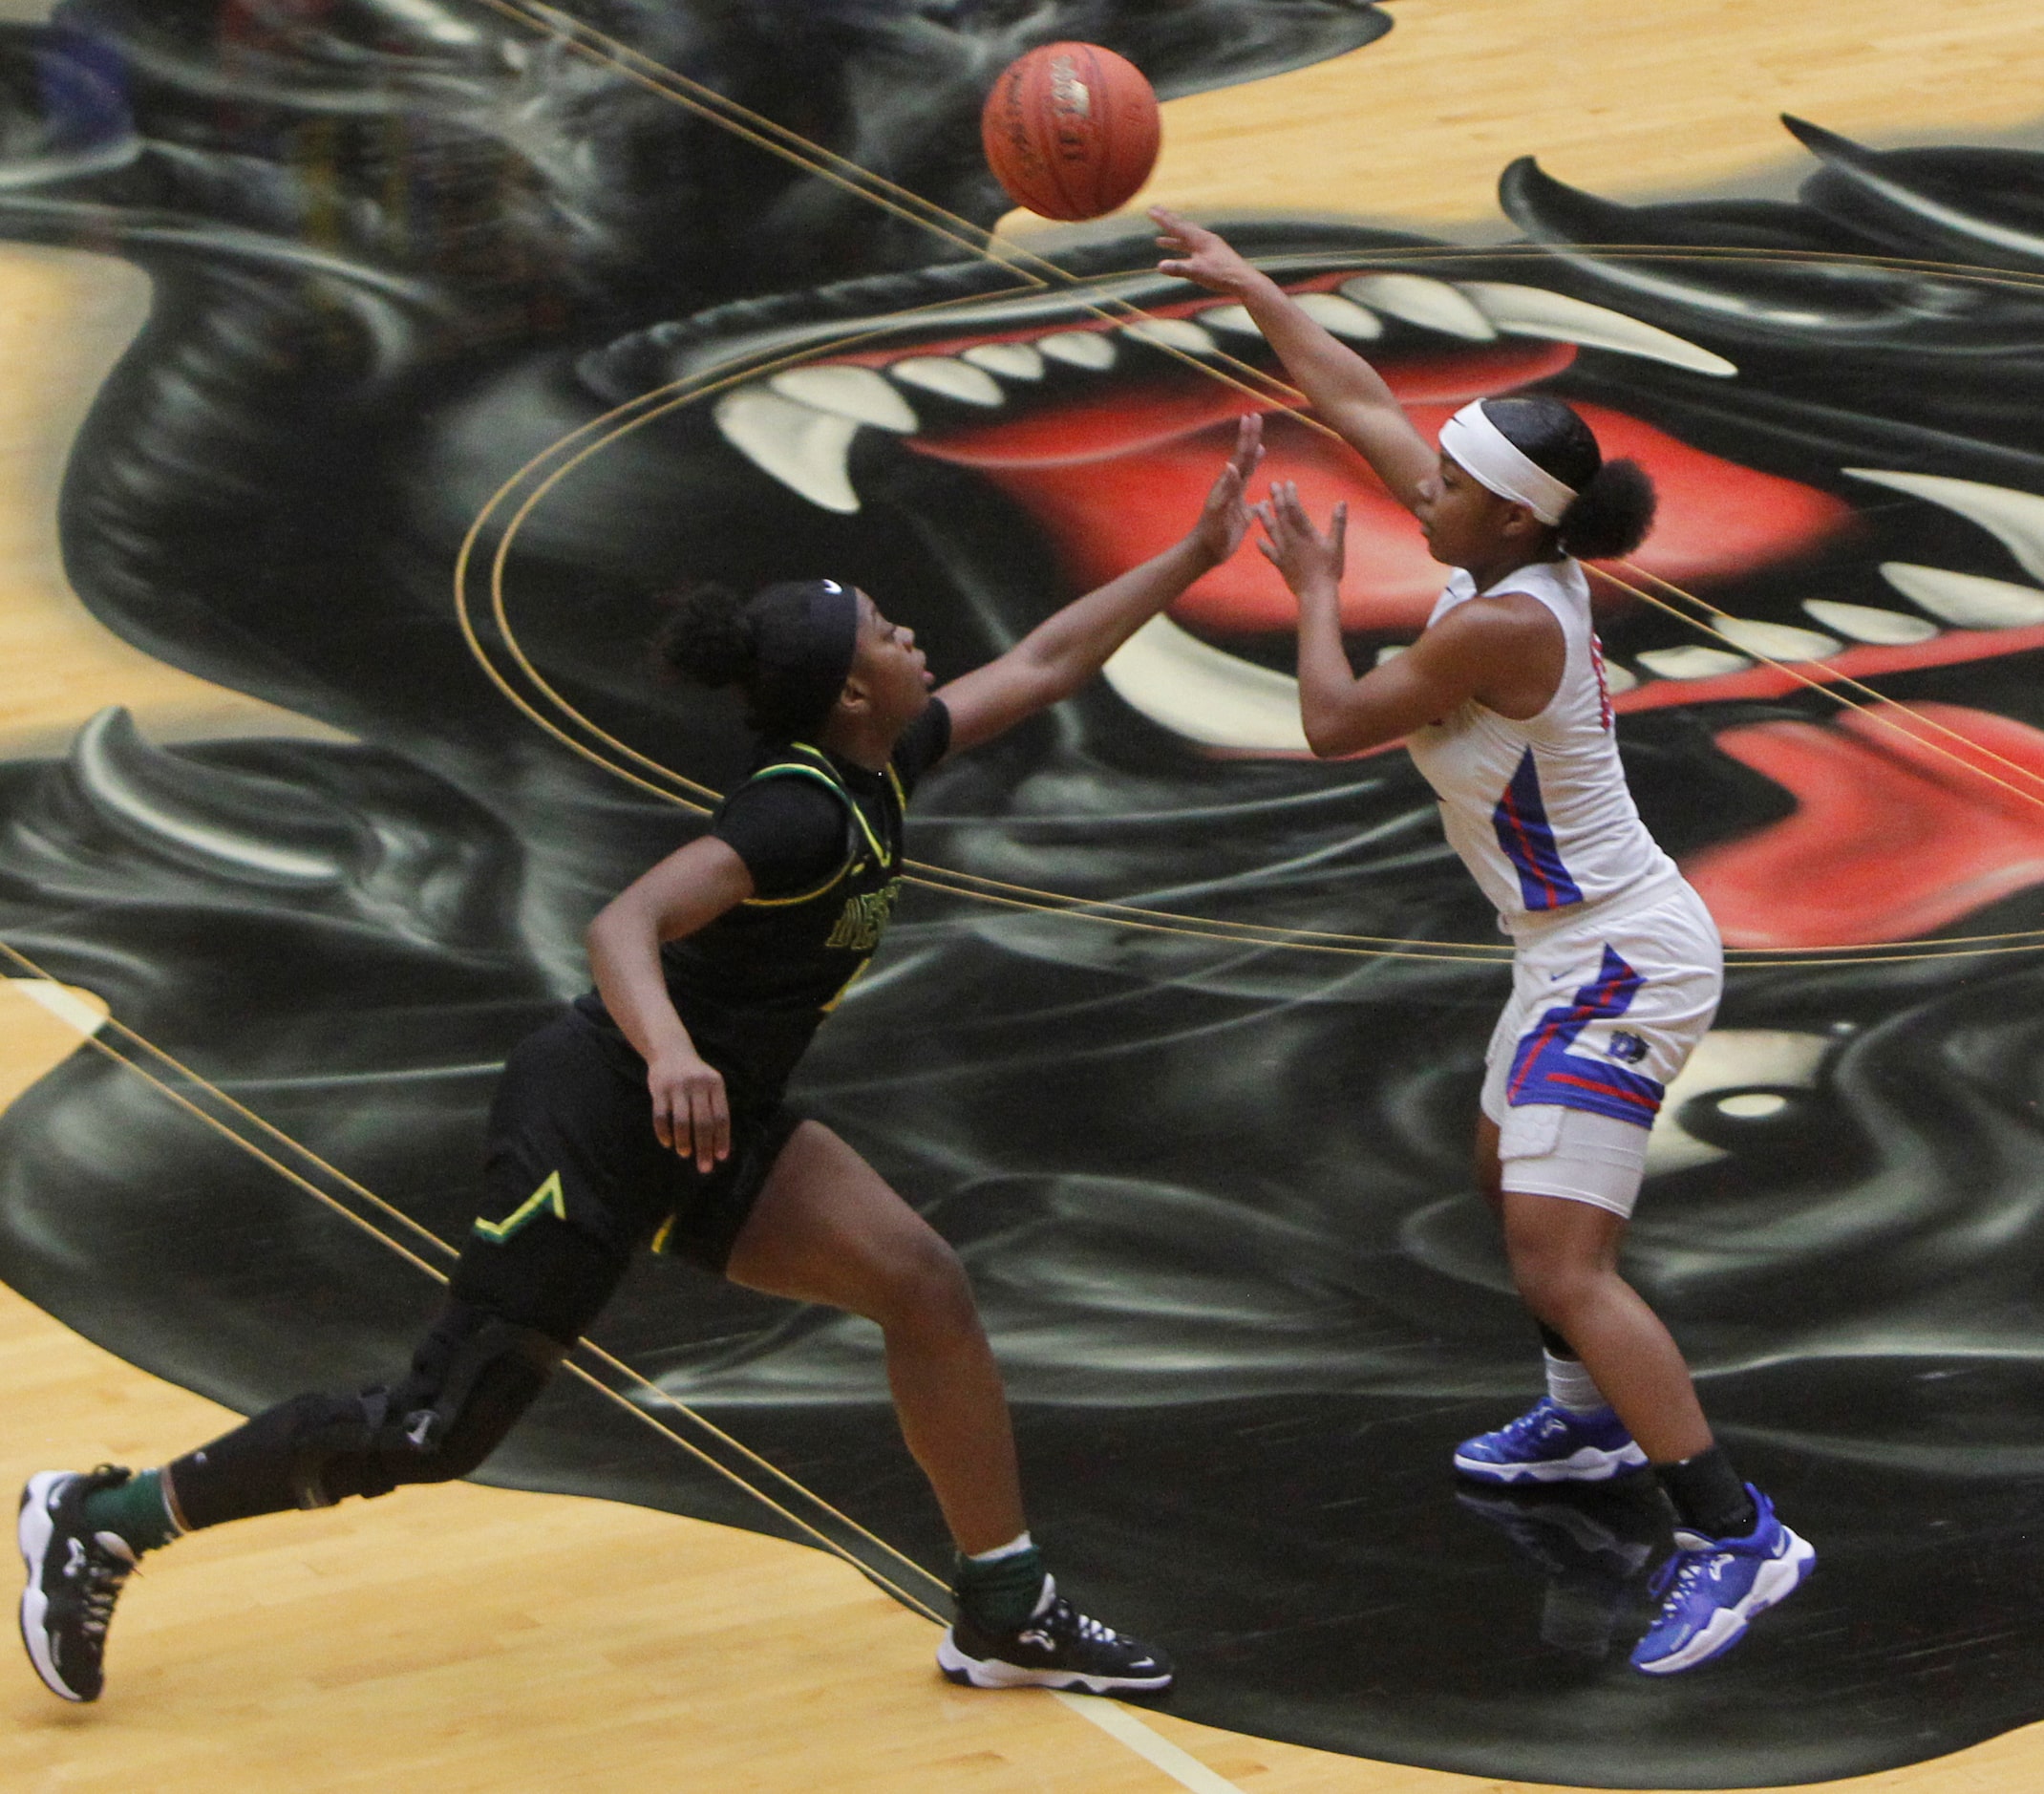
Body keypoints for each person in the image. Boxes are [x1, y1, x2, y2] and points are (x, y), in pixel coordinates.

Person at [15, 416, 1267, 1707]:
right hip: (603, 1118)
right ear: (846, 693)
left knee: (923, 1285)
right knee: (434, 1429)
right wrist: (671, 1052)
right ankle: (102, 1514)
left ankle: (1006, 1605)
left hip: (716, 1125)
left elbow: (1050, 658)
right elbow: (626, 921)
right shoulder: (790, 809)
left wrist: (1196, 550)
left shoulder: (888, 761)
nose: (914, 643)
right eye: (891, 635)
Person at [1153, 208, 1813, 1676]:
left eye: (1445, 487)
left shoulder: (1500, 626)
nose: (1419, 489)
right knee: (1495, 1171)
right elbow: (1361, 400)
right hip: (1562, 946)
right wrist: (1256, 287)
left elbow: (1331, 721)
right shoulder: (1490, 549)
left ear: (1512, 518)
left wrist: (1317, 592)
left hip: (1626, 951)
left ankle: (1738, 1535)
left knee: (1563, 1256)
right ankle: (1583, 1428)